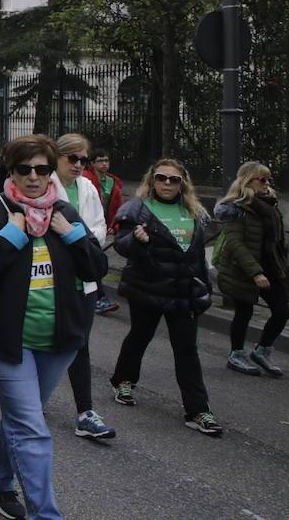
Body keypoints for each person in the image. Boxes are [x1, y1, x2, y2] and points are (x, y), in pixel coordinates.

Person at [0, 134, 106, 520]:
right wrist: (12, 232)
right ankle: (46, 514)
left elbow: (97, 269)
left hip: (57, 342)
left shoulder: (63, 213)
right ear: (11, 171)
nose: (33, 177)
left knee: (20, 417)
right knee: (30, 426)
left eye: (42, 169)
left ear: (51, 172)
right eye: (24, 169)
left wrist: (72, 234)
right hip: (4, 342)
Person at [109, 159, 222, 436]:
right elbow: (121, 244)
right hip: (148, 288)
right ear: (152, 180)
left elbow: (196, 256)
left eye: (174, 179)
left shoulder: (193, 211)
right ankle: (124, 380)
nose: (167, 184)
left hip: (184, 292)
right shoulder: (137, 208)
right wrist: (137, 240)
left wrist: (204, 289)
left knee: (187, 351)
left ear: (183, 183)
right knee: (140, 336)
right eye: (161, 178)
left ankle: (198, 410)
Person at [52, 133, 116, 441]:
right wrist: (78, 239)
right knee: (44, 342)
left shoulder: (88, 187)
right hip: (49, 281)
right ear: (57, 158)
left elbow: (98, 228)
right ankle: (27, 400)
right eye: (72, 159)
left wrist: (78, 240)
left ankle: (85, 412)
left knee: (80, 344)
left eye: (83, 160)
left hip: (84, 279)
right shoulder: (45, 186)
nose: (79, 165)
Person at [212, 162, 288, 377]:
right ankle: (236, 354)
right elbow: (236, 243)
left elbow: (277, 241)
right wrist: (255, 272)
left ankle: (262, 350)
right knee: (244, 311)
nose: (267, 184)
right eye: (261, 179)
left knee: (282, 310)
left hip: (270, 267)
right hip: (242, 269)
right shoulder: (235, 208)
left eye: (268, 179)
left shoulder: (270, 206)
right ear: (247, 181)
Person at [84, 148, 123, 314]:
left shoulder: (113, 182)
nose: (104, 164)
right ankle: (99, 298)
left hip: (102, 227)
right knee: (93, 261)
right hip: (87, 226)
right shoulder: (85, 180)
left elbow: (117, 207)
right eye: (100, 161)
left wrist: (115, 225)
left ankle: (95, 297)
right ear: (92, 164)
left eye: (106, 161)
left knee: (93, 260)